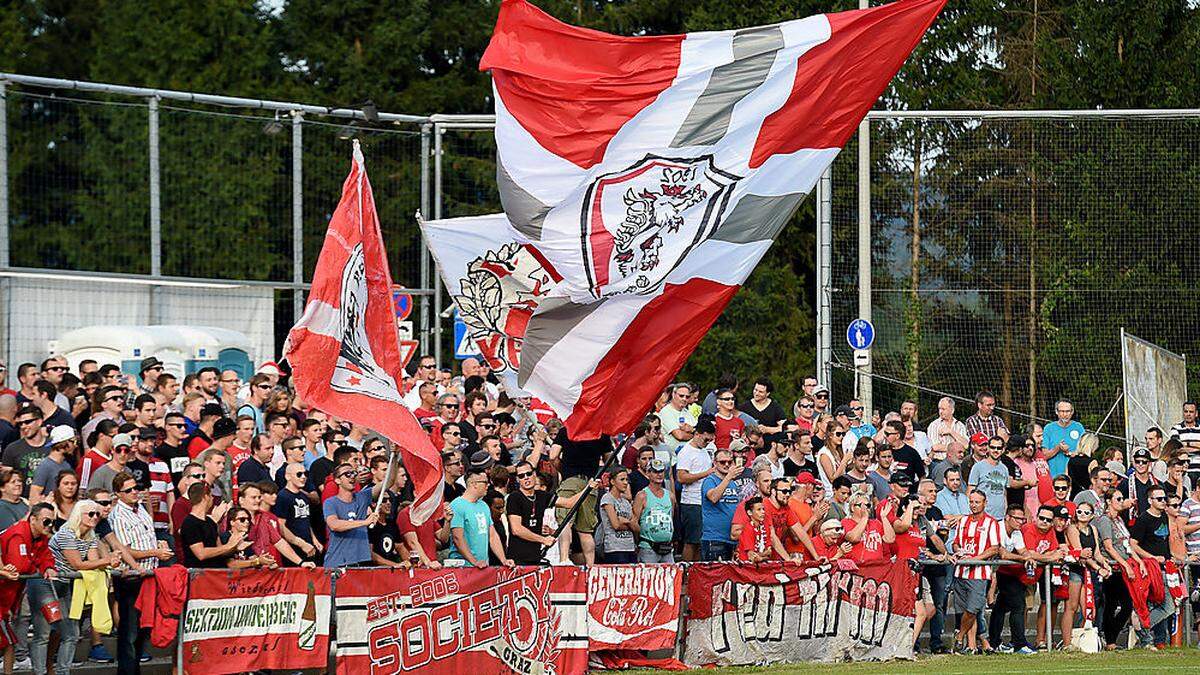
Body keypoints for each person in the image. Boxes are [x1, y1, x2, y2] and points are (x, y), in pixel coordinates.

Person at [46, 500, 120, 675]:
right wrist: (108, 559)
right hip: (51, 583)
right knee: (51, 631)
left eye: (97, 514)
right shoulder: (66, 533)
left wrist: (111, 562)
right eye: (91, 514)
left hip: (69, 584)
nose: (96, 517)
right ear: (79, 515)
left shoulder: (91, 536)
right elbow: (78, 564)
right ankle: (46, 668)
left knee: (70, 633)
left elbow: (93, 562)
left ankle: (62, 670)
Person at [108, 471, 172, 673]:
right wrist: (155, 552)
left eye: (136, 487)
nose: (135, 492)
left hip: (149, 575)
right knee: (129, 632)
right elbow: (124, 550)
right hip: (131, 578)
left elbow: (146, 537)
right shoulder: (117, 515)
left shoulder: (141, 509)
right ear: (118, 493)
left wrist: (158, 545)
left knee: (142, 630)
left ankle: (134, 669)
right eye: (129, 490)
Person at [505, 461, 593, 565]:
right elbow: (517, 529)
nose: (526, 478)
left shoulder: (542, 495)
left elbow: (569, 503)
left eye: (528, 474)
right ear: (517, 479)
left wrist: (588, 487)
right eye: (521, 476)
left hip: (535, 557)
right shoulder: (514, 497)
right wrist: (543, 540)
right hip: (518, 559)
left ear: (534, 474)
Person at [950, 489, 1002, 655]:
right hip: (961, 572)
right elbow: (955, 543)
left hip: (979, 574)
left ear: (985, 503)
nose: (973, 505)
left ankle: (960, 637)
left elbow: (994, 548)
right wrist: (959, 551)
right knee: (963, 610)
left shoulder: (991, 523)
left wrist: (977, 558)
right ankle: (970, 645)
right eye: (971, 502)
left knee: (972, 609)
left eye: (977, 502)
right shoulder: (963, 520)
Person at [1128, 485, 1172, 649]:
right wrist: (1152, 558)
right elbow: (1133, 545)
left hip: (1165, 567)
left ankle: (1143, 629)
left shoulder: (1164, 517)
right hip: (1149, 568)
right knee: (1166, 605)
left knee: (1166, 605)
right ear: (1149, 501)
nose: (1163, 501)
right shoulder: (1143, 519)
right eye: (1159, 499)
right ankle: (1143, 631)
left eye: (1164, 498)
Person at [324, 462, 389, 568]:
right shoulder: (331, 502)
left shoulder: (363, 497)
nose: (352, 477)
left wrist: (394, 456)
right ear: (337, 480)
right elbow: (334, 525)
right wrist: (365, 522)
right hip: (339, 563)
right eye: (347, 474)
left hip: (362, 561)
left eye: (354, 473)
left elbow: (388, 482)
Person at [448, 470, 512, 568]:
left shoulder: (484, 506)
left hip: (482, 566)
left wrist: (503, 560)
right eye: (485, 482)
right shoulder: (457, 505)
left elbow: (492, 535)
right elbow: (457, 538)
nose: (488, 485)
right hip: (462, 567)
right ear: (474, 484)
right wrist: (474, 562)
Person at [179, 482, 239, 568]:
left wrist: (235, 547)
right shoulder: (190, 523)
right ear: (205, 497)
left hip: (216, 574)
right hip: (200, 575)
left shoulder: (211, 522)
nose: (212, 499)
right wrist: (228, 546)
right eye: (211, 496)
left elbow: (220, 550)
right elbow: (201, 554)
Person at [700, 448, 742, 561]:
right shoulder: (709, 481)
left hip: (733, 539)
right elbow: (713, 497)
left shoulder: (733, 483)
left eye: (729, 462)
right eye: (722, 462)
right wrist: (728, 477)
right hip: (715, 539)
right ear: (715, 463)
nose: (726, 465)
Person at [632, 459, 675, 563]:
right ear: (648, 473)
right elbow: (634, 522)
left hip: (667, 547)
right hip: (648, 546)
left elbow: (671, 518)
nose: (659, 474)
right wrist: (642, 536)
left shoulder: (670, 495)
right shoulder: (642, 495)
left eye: (661, 471)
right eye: (655, 472)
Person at [598, 467, 636, 563]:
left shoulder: (626, 502)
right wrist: (630, 524)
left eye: (627, 480)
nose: (625, 483)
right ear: (612, 482)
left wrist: (626, 521)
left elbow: (637, 528)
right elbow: (616, 525)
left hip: (630, 547)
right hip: (614, 548)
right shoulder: (607, 498)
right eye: (622, 479)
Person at [736, 496, 789, 563]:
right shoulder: (747, 529)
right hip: (747, 569)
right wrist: (763, 555)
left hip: (762, 567)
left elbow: (769, 553)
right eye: (759, 509)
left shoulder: (766, 526)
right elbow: (751, 557)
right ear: (749, 512)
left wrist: (760, 556)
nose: (763, 512)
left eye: (763, 509)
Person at [1043, 399, 1085, 477]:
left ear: (1072, 412)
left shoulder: (1079, 427)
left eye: (1067, 411)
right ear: (1056, 412)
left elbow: (1086, 452)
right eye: (1062, 411)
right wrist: (1058, 448)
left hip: (1076, 475)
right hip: (1054, 476)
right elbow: (1044, 456)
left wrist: (1072, 453)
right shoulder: (1049, 428)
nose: (1065, 414)